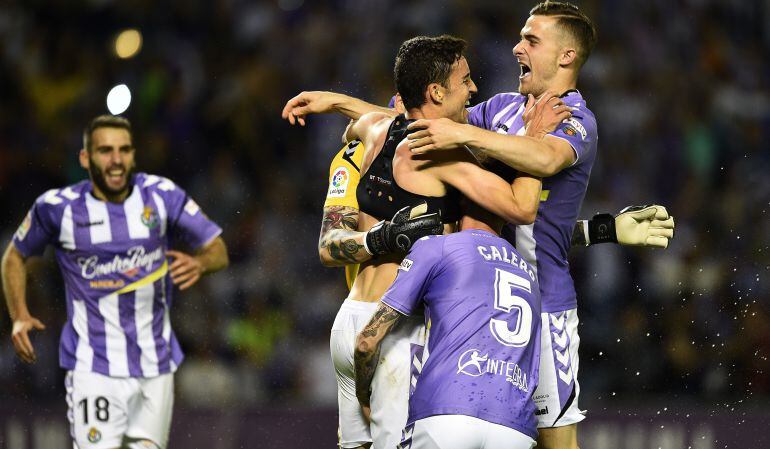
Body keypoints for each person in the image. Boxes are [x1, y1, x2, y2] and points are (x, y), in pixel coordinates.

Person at [284, 4, 675, 449]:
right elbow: (423, 115)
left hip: (542, 303)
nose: (516, 47)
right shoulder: (504, 108)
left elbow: (541, 162)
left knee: (555, 441)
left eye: (531, 40)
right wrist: (338, 102)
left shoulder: (575, 119)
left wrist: (465, 136)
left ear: (565, 56)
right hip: (472, 298)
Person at [312, 35, 558, 449]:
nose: (474, 90)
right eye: (465, 80)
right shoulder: (438, 156)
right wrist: (534, 140)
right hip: (394, 333)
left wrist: (334, 101)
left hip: (348, 322)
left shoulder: (375, 129)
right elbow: (521, 208)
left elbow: (356, 127)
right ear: (436, 92)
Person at [1, 115, 229, 449]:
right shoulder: (57, 208)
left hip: (156, 366)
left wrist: (200, 262)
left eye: (124, 150)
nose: (116, 159)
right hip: (93, 367)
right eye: (105, 150)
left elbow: (218, 249)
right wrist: (19, 313)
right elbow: (14, 257)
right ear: (85, 158)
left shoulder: (162, 195)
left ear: (134, 155)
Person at [355, 201, 541, 449]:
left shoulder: (438, 247)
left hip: (445, 413)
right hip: (516, 427)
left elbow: (366, 342)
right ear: (506, 218)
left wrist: (363, 395)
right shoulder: (530, 275)